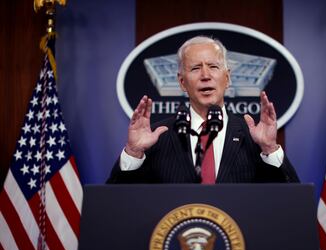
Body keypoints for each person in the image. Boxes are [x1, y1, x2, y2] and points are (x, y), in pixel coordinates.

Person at [107, 36, 299, 184]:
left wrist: (270, 148)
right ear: (182, 82)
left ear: (227, 78)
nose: (205, 75)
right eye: (195, 68)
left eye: (213, 66)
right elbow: (117, 203)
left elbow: (290, 200)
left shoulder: (253, 137)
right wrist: (133, 152)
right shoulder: (157, 137)